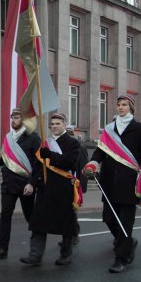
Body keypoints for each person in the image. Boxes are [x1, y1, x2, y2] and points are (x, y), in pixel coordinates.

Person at [83, 95, 141, 274]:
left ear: (131, 108)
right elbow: (100, 152)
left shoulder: (140, 129)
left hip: (130, 183)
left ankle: (121, 258)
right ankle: (128, 242)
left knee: (125, 223)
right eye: (119, 104)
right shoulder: (109, 130)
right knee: (109, 218)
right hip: (109, 182)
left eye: (124, 105)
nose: (120, 107)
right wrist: (92, 164)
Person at [20, 112, 81, 266]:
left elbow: (70, 163)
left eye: (57, 124)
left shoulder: (73, 143)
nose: (54, 126)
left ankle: (65, 255)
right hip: (45, 188)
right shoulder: (44, 144)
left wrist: (51, 155)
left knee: (66, 224)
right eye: (52, 124)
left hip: (64, 188)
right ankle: (35, 256)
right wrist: (31, 183)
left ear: (64, 125)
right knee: (38, 222)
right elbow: (38, 166)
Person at [0, 108, 40, 260]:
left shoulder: (33, 138)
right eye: (12, 117)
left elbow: (38, 164)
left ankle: (37, 250)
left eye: (16, 117)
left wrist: (32, 184)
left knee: (30, 217)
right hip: (8, 184)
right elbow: (6, 159)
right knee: (5, 215)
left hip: (25, 185)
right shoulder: (9, 137)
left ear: (24, 119)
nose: (13, 120)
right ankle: (2, 249)